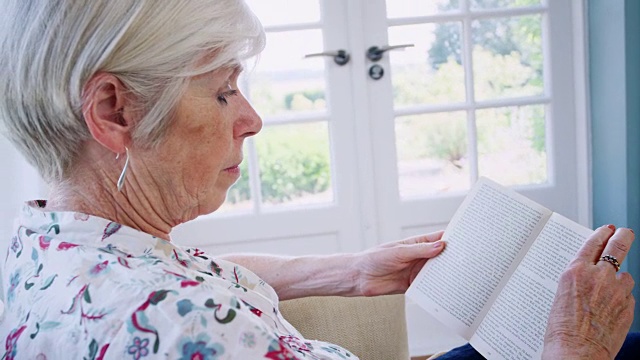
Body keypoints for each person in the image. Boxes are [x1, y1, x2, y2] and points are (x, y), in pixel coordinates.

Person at [0, 1, 635, 359]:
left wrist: (350, 271)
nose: (251, 119)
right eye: (223, 92)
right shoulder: (185, 324)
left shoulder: (51, 241)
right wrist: (571, 350)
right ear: (115, 112)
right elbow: (182, 301)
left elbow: (185, 269)